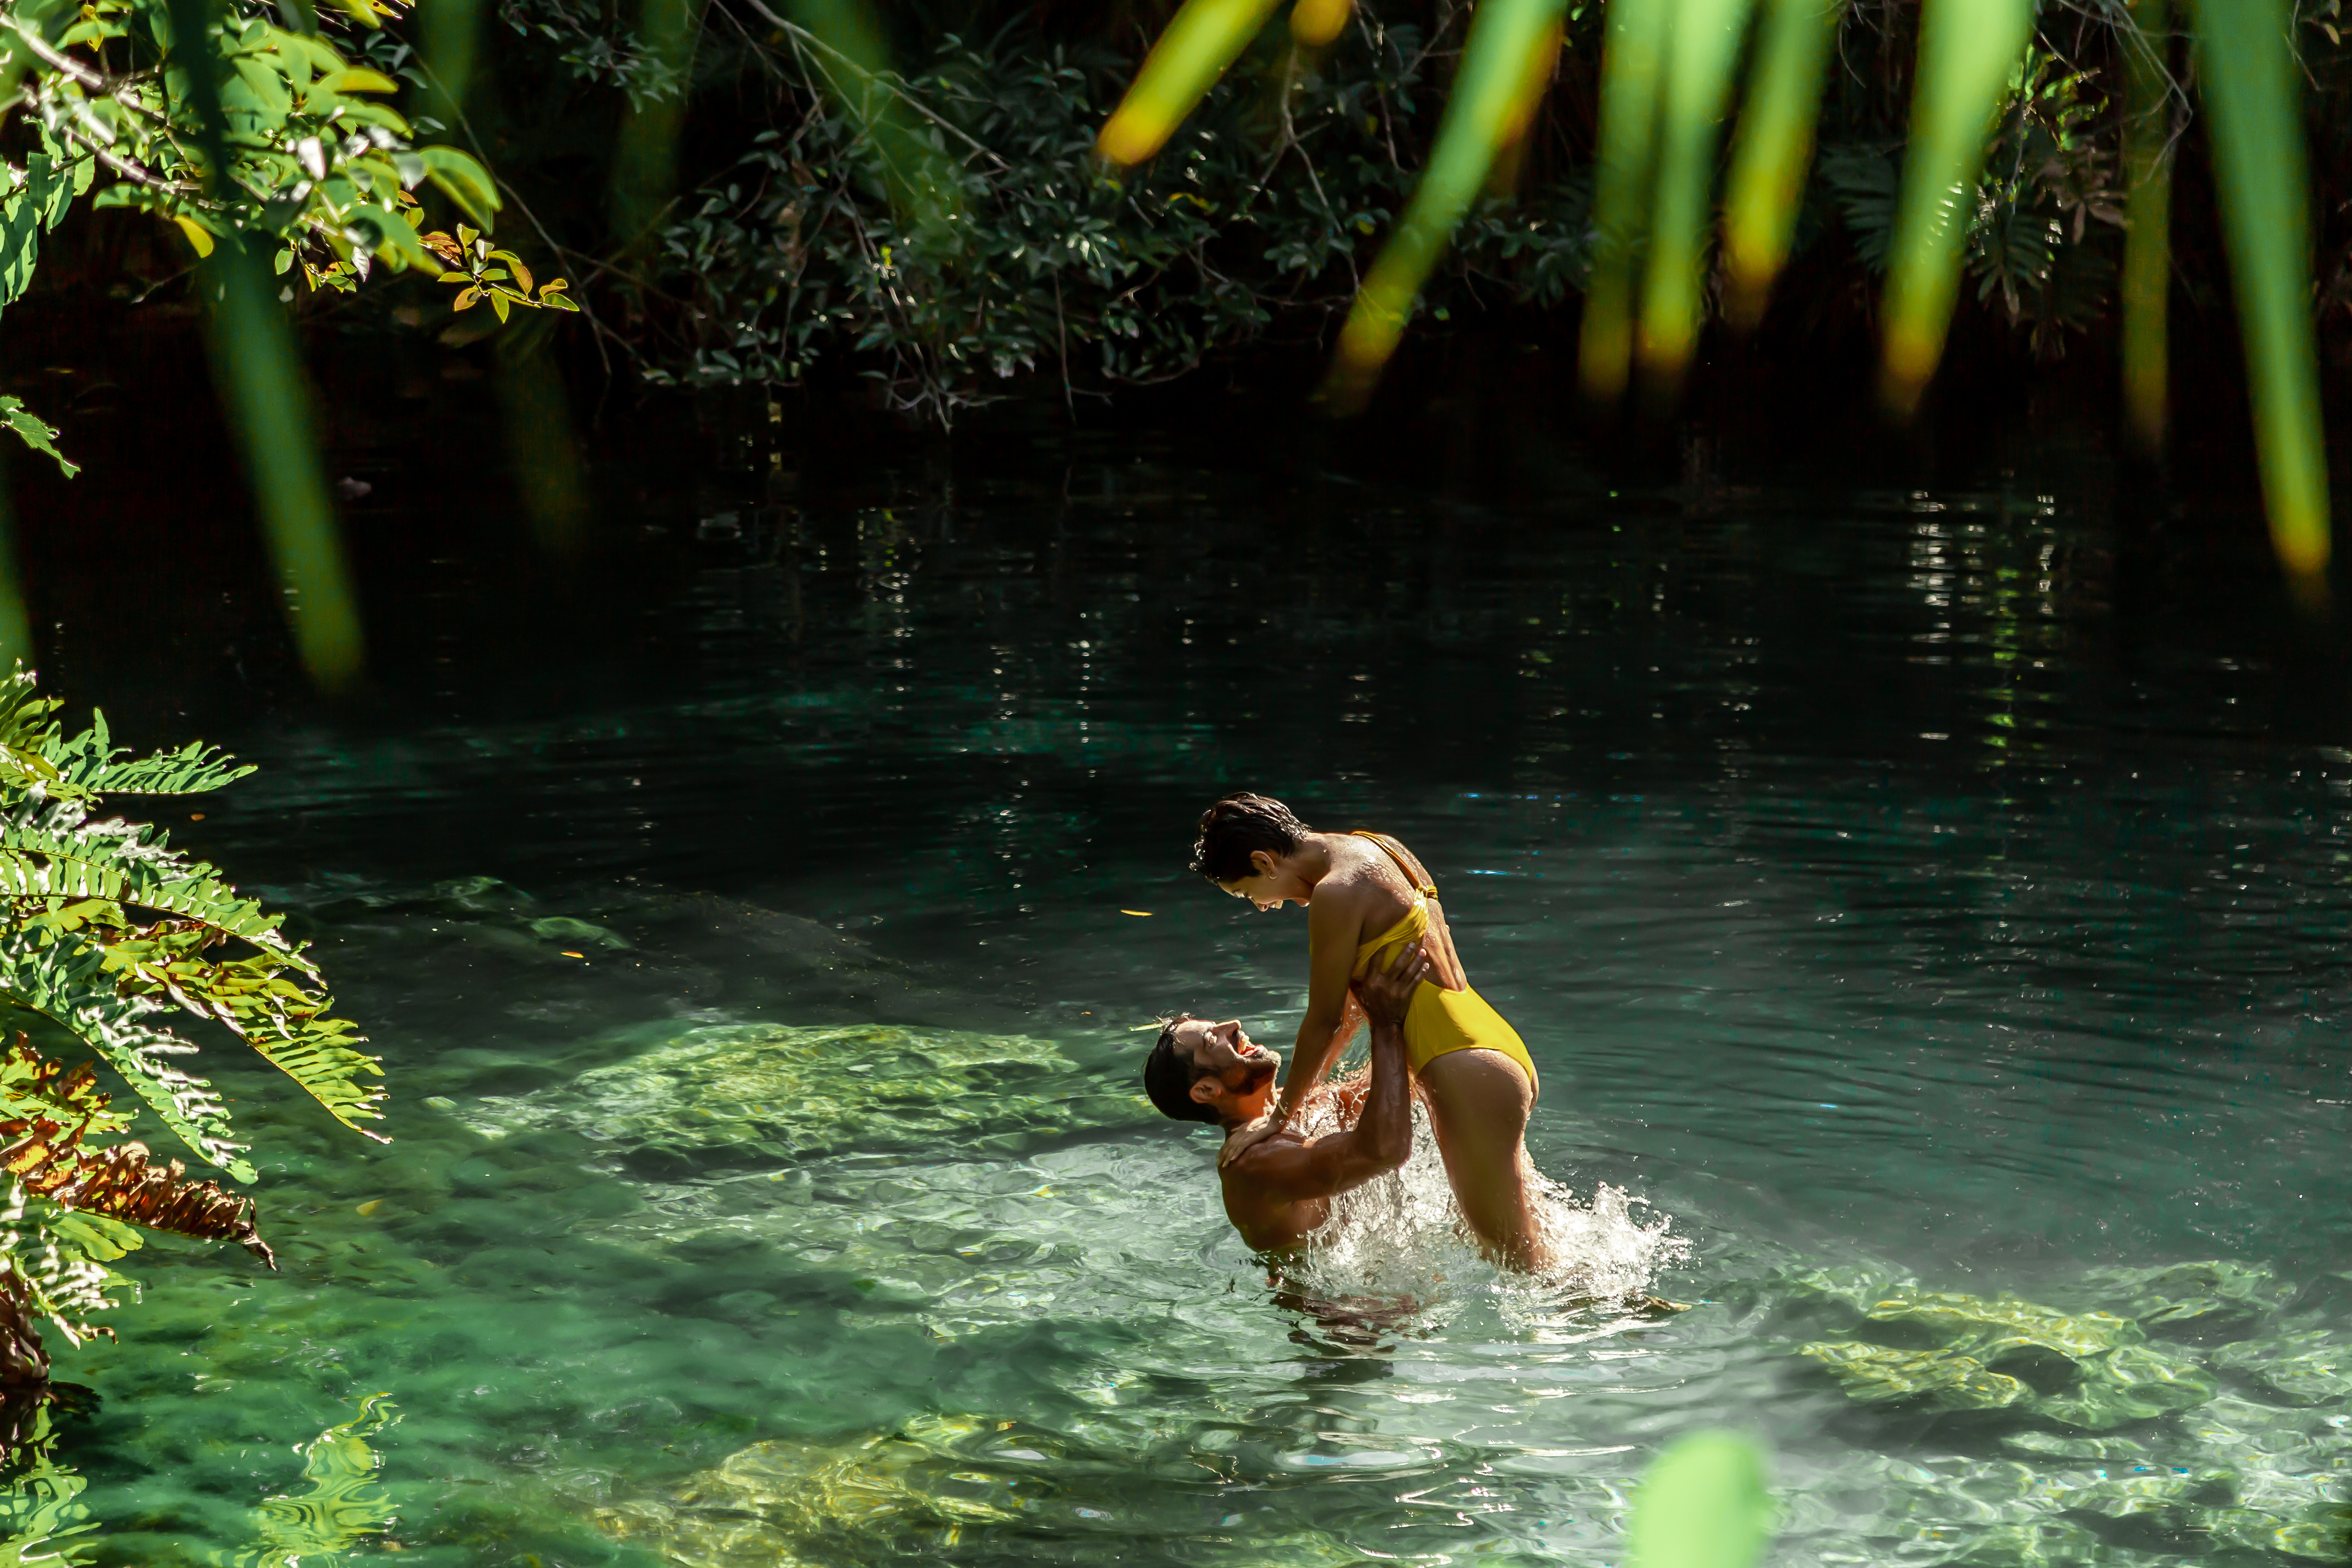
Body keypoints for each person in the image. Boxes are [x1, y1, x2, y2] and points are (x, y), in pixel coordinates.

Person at [1189, 793, 1551, 1270]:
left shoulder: (1335, 892)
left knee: (1519, 1263)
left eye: (1247, 893)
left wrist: (1280, 1116)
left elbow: (1325, 1019)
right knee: (1506, 1236)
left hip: (1463, 1067)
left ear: (1264, 860)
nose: (1261, 906)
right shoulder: (1379, 847)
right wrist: (1304, 1097)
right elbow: (1354, 1009)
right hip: (1487, 1042)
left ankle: (1631, 1317)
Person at [1142, 943, 1431, 1256]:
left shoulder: (1296, 1105)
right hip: (1337, 1303)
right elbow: (1385, 1151)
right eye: (1214, 1040)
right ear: (1207, 1091)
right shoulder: (1254, 1165)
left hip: (1381, 1280)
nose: (1235, 1026)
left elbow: (1404, 1085)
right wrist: (1388, 1024)